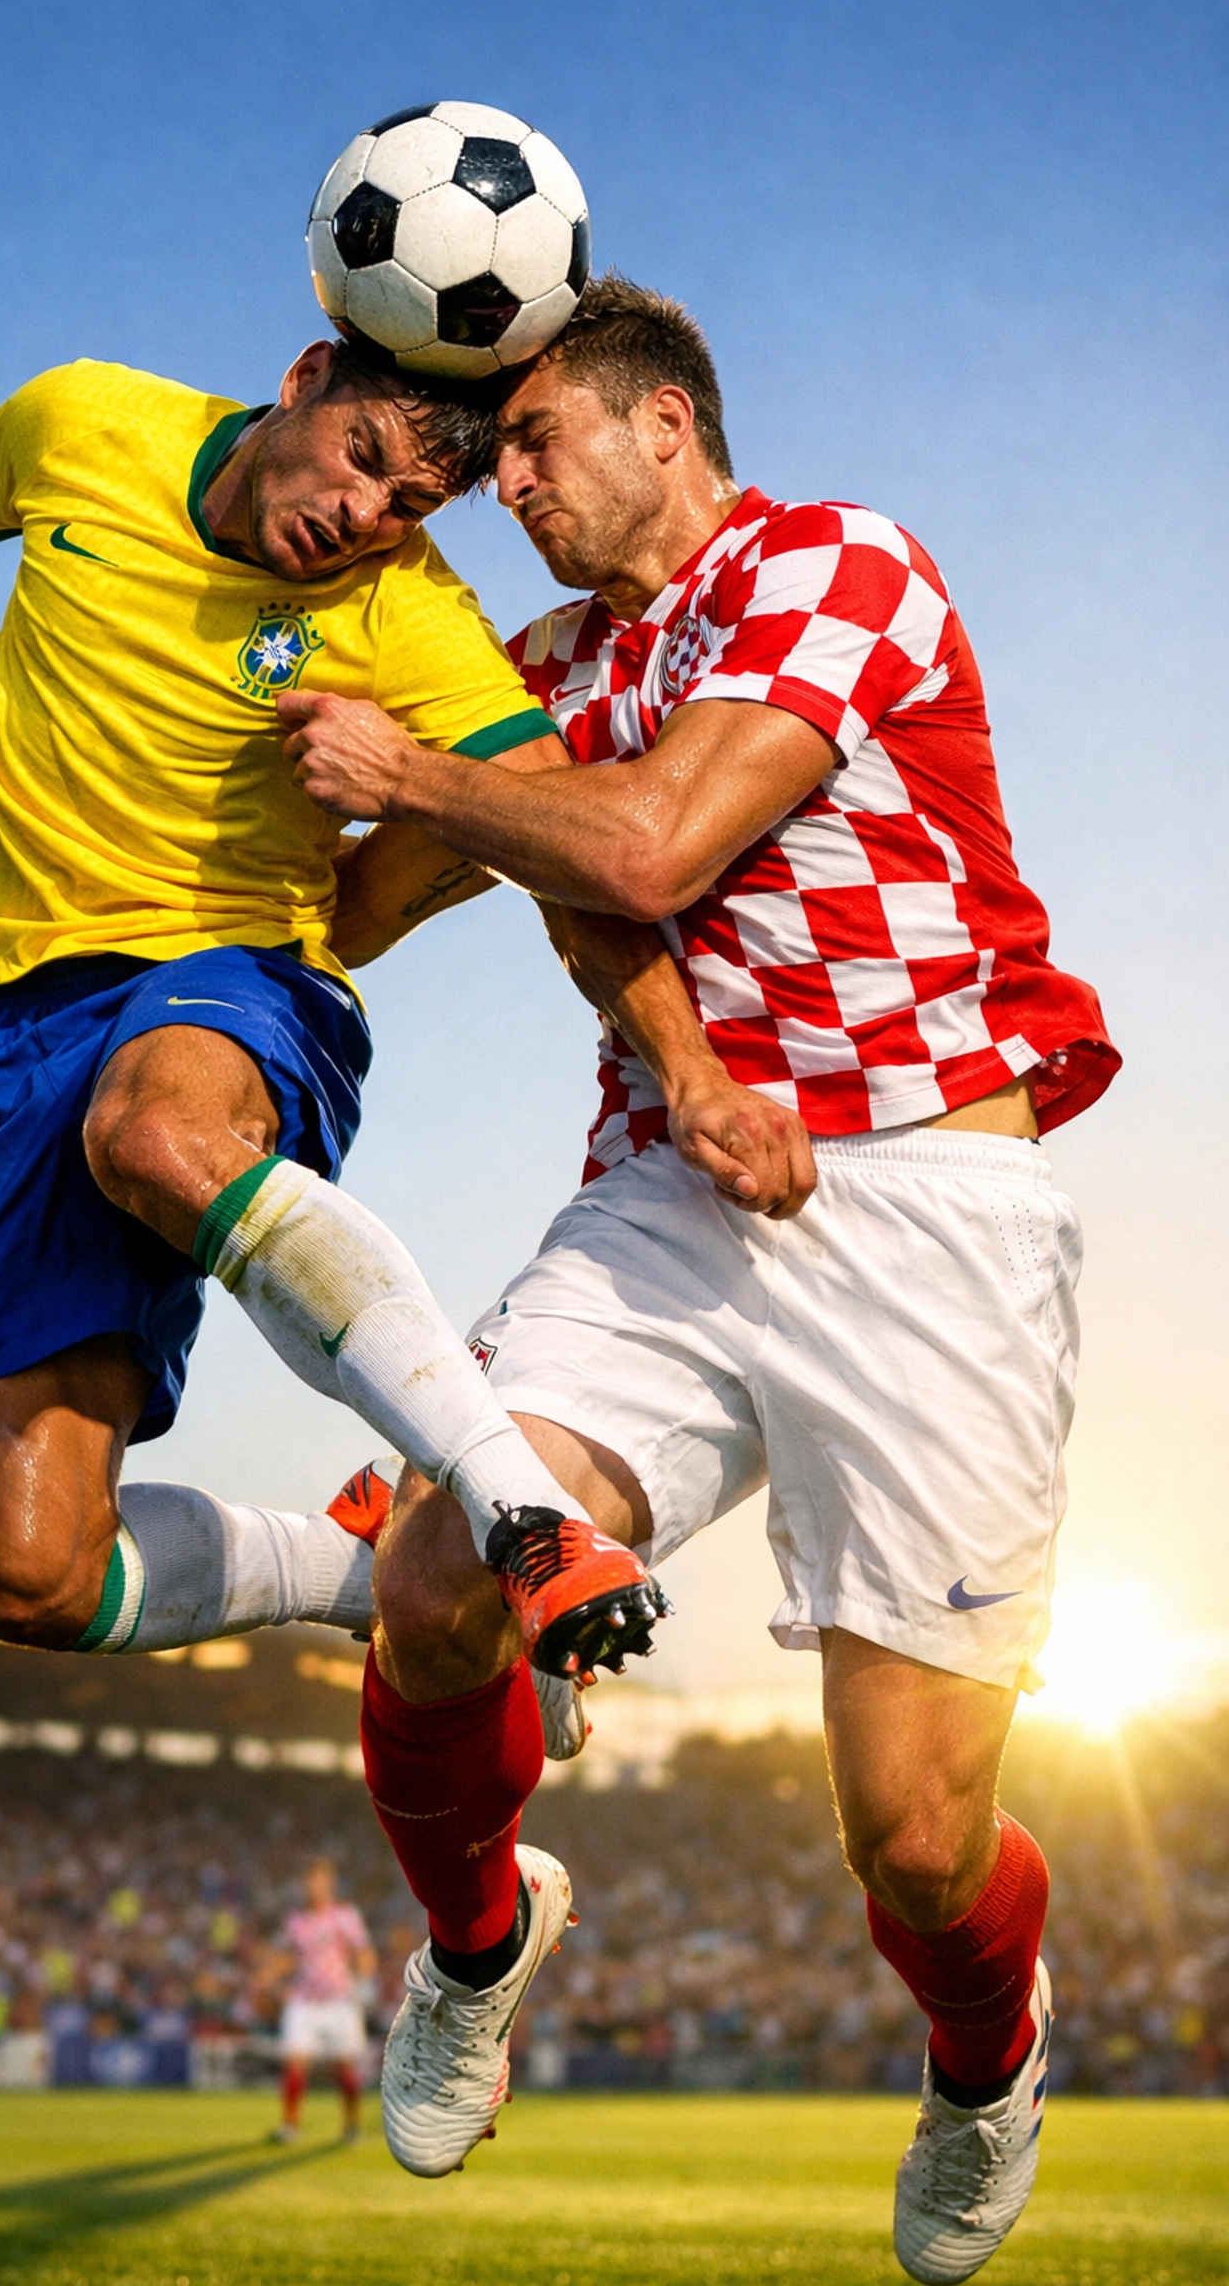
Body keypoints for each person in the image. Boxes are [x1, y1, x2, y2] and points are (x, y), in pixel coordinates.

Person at [281, 274, 1118, 2281]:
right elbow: (356, 907)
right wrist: (298, 658)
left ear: (669, 425)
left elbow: (648, 848)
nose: (509, 490)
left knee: (913, 1842)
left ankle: (987, 2057)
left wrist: (424, 772)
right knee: (436, 1568)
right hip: (669, 1196)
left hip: (926, 1209)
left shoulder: (837, 560)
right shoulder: (541, 660)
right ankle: (480, 1947)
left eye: (535, 443)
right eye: (479, 469)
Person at [0, 332, 662, 1688]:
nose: (367, 515)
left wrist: (378, 897)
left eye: (410, 507)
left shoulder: (406, 612)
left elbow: (545, 811)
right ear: (304, 379)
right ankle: (372, 1568)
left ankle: (522, 1513)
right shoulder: (86, 422)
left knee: (155, 1133)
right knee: (27, 1573)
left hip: (229, 975)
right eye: (365, 458)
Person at [270, 1860, 376, 2145]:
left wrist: (365, 1977)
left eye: (319, 1880)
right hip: (304, 1999)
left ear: (329, 1883)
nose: (313, 1886)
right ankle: (290, 2125)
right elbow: (287, 1956)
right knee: (294, 2060)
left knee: (345, 2065)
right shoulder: (295, 1920)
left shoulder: (344, 1915)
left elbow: (363, 1951)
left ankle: (352, 2126)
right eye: (308, 1880)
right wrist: (271, 1977)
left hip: (339, 1998)